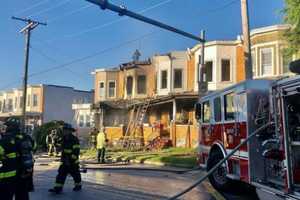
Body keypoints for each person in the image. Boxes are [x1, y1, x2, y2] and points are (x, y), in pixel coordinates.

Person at [49, 123, 81, 194]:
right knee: (61, 174)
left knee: (75, 174)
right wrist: (55, 143)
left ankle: (78, 185)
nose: (64, 131)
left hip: (72, 161)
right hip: (64, 160)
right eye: (64, 130)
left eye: (66, 130)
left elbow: (76, 151)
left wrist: (71, 160)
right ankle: (58, 188)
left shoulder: (74, 139)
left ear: (70, 131)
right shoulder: (63, 138)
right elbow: (60, 147)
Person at [0, 121, 18, 200]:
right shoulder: (18, 138)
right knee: (9, 195)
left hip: (4, 173)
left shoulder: (4, 139)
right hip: (14, 171)